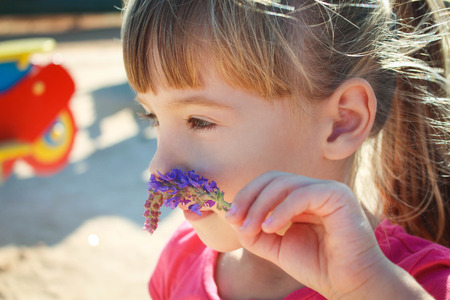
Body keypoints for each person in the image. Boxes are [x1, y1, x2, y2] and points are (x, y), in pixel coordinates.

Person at [121, 0, 450, 299]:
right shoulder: (179, 260)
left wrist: (367, 286)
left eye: (199, 121)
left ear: (342, 122)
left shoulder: (427, 284)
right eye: (154, 117)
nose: (159, 169)